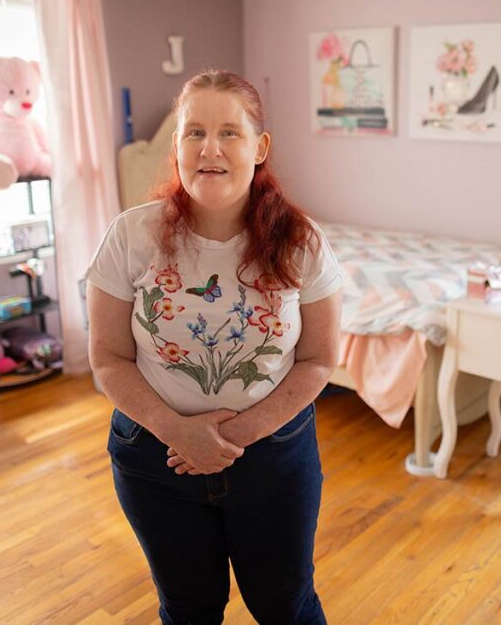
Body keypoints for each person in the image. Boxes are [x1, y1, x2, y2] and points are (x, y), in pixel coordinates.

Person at [86, 70, 342, 624]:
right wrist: (178, 432)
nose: (210, 149)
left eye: (229, 132)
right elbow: (108, 359)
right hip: (157, 460)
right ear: (177, 146)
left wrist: (230, 436)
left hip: (272, 458)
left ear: (259, 147)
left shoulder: (302, 242)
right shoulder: (131, 236)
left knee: (286, 606)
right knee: (188, 609)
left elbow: (319, 359)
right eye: (193, 132)